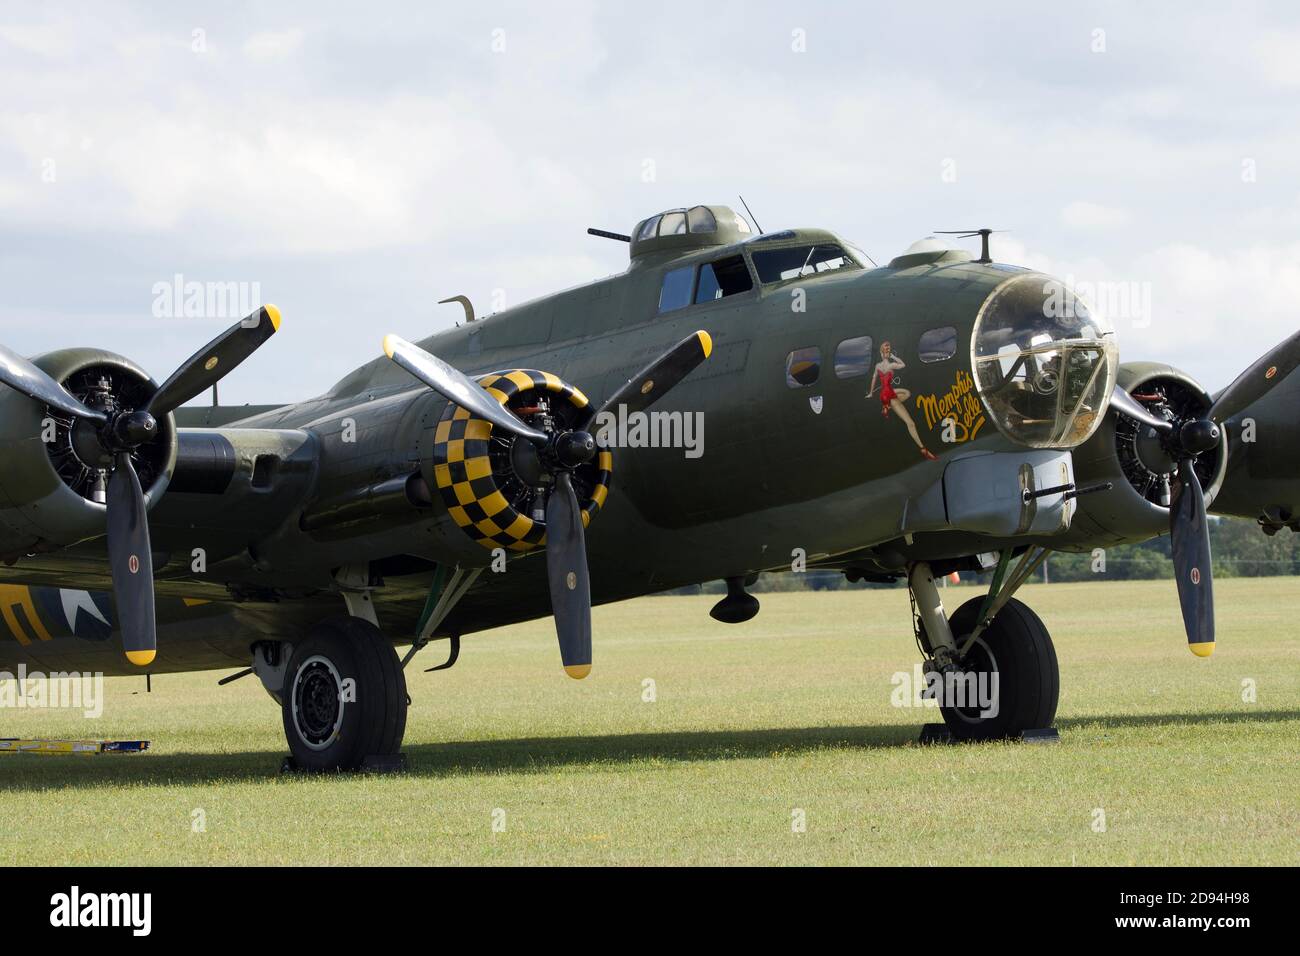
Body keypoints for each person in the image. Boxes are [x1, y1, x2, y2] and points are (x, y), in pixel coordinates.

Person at [867, 341, 937, 461]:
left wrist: (871, 393)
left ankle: (886, 406)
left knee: (907, 393)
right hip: (890, 396)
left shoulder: (878, 366)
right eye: (887, 350)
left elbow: (874, 378)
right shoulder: (891, 365)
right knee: (911, 423)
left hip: (884, 394)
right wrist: (893, 357)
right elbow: (903, 364)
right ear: (884, 352)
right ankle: (923, 449)